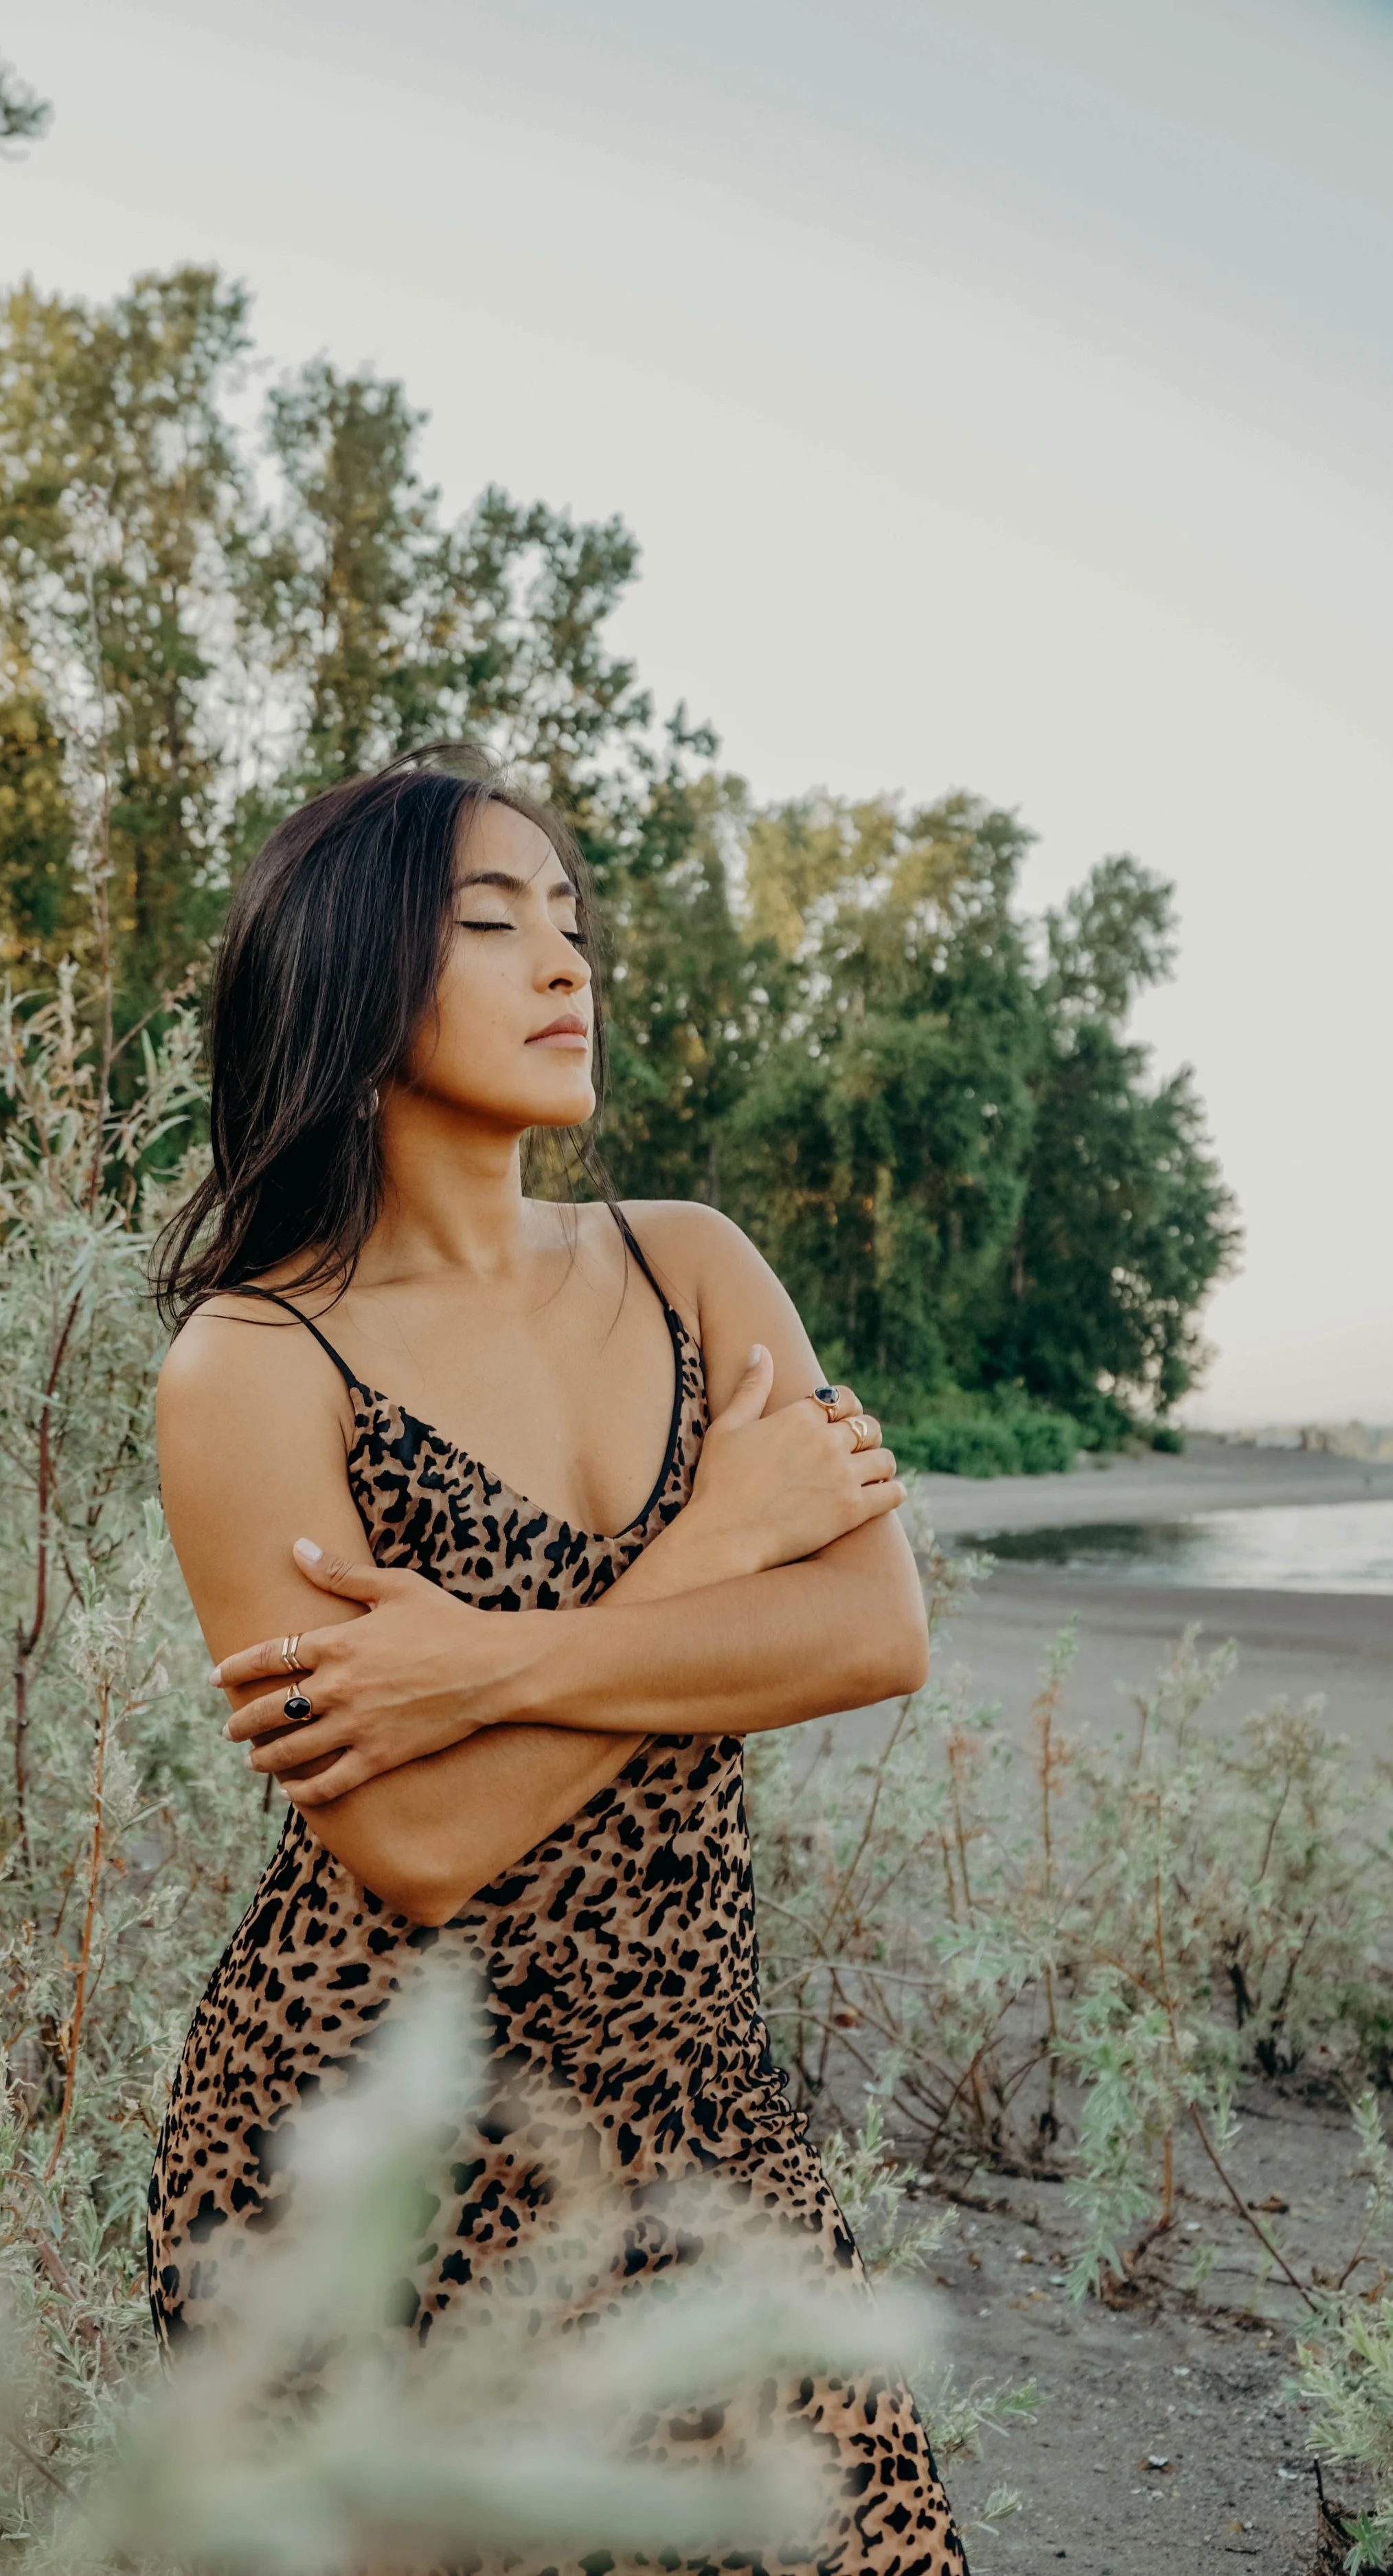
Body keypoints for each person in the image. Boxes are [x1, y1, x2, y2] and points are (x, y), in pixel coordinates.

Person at [146, 745, 968, 2574]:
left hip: (696, 2094)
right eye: (496, 925)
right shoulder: (254, 1360)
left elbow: (867, 1627)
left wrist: (482, 1664)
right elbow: (419, 1844)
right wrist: (709, 1547)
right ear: (353, 979)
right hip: (369, 2165)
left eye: (575, 927)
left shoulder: (690, 1264)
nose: (568, 966)